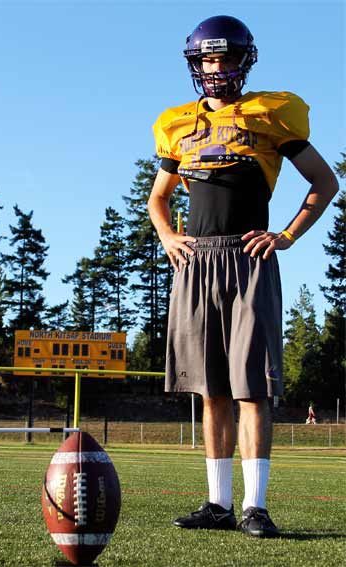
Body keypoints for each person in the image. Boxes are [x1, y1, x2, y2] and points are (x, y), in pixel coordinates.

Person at [148, 15, 339, 538]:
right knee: (210, 390)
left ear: (243, 61)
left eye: (225, 58)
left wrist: (287, 235)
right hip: (195, 261)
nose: (216, 68)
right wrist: (168, 237)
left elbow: (325, 181)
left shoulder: (271, 114)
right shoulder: (176, 123)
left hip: (248, 258)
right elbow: (157, 199)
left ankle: (255, 506)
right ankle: (219, 503)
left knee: (252, 388)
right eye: (208, 59)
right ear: (195, 64)